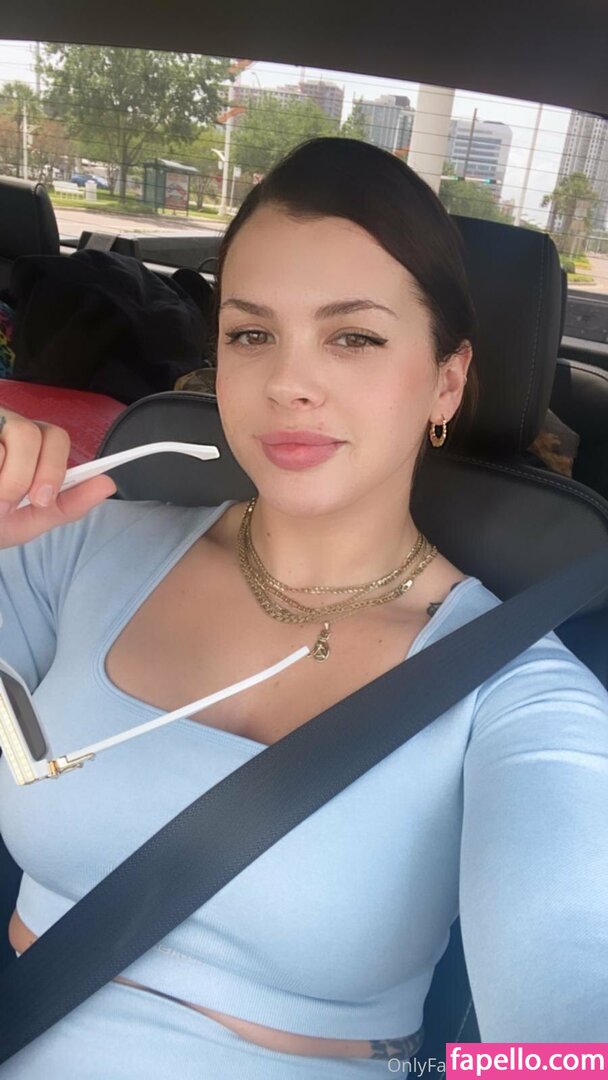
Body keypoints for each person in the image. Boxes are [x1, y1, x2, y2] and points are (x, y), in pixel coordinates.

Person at [0, 137, 607, 1079]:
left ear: (446, 381)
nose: (288, 382)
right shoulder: (77, 546)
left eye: (353, 336)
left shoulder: (517, 694)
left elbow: (571, 1022)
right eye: (251, 334)